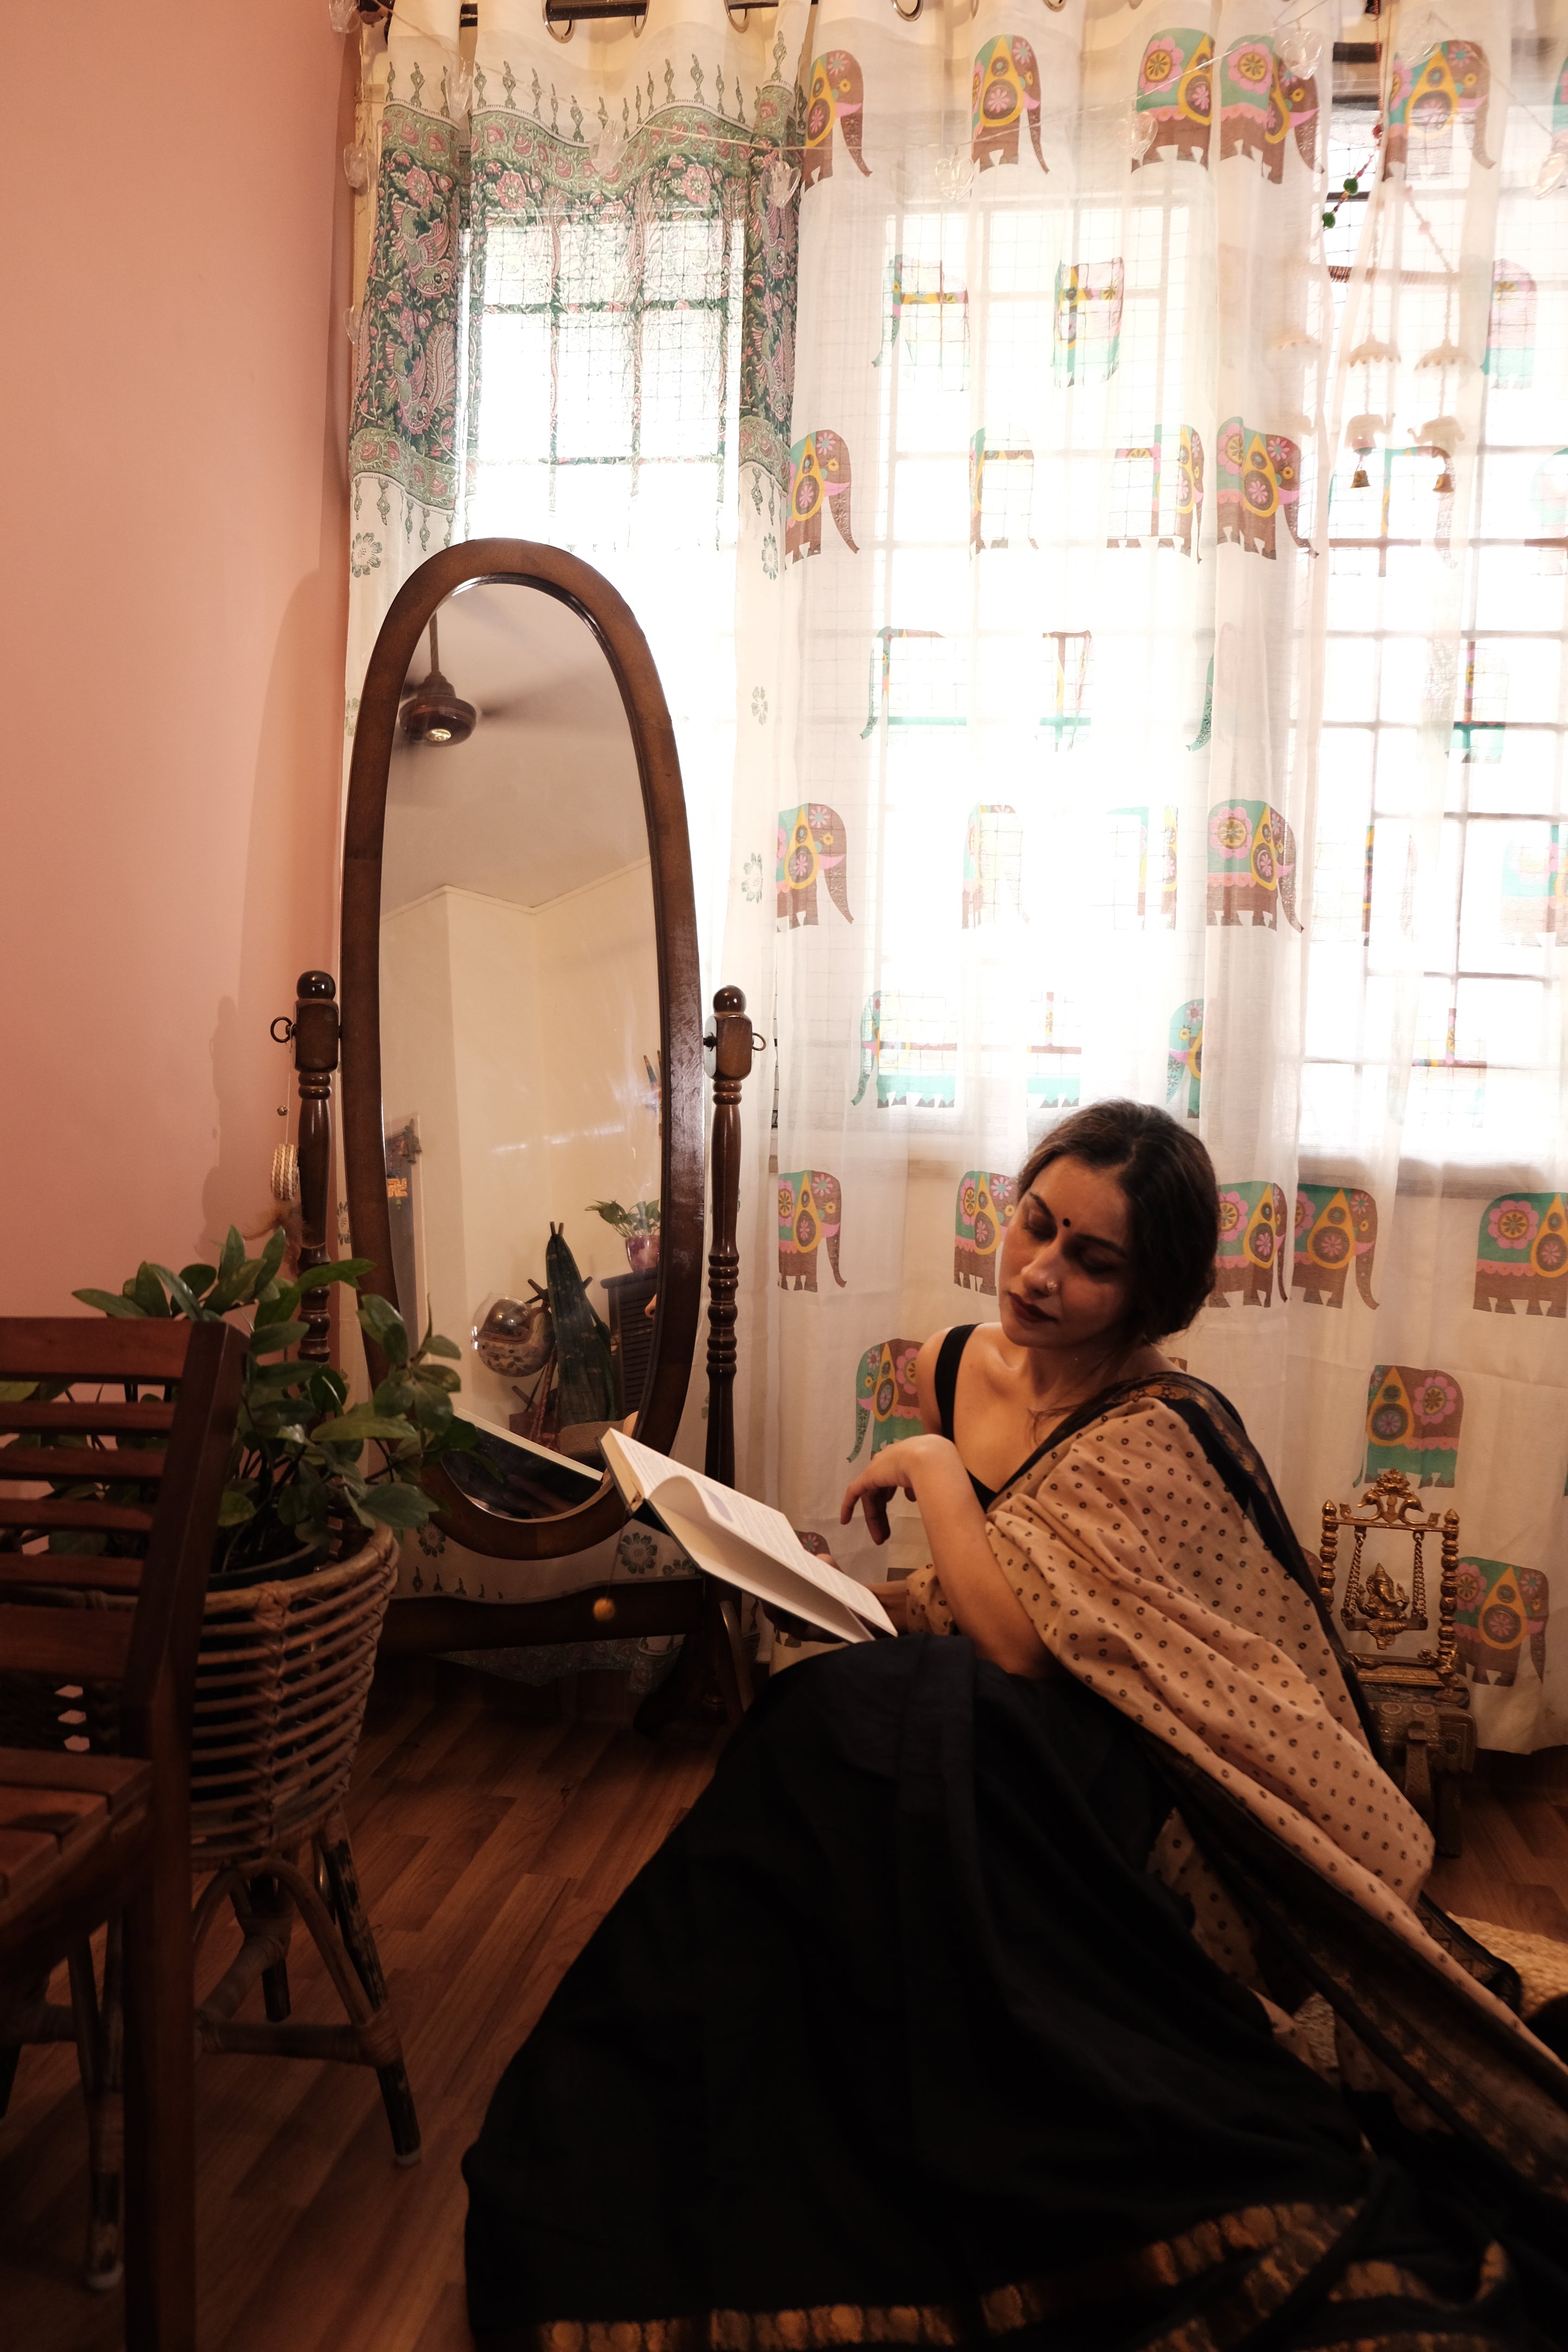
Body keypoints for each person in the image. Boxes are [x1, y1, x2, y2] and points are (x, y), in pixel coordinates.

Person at [464, 1103, 1568, 2352]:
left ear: (1148, 1293)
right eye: (1034, 1224)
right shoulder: (953, 1363)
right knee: (816, 1728)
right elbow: (968, 1595)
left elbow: (1029, 1642)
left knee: (847, 1726)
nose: (1039, 1271)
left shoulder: (1163, 1424)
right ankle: (727, 2082)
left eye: (1091, 1261)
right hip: (989, 1708)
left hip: (1132, 1756)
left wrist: (934, 1472)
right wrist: (807, 1578)